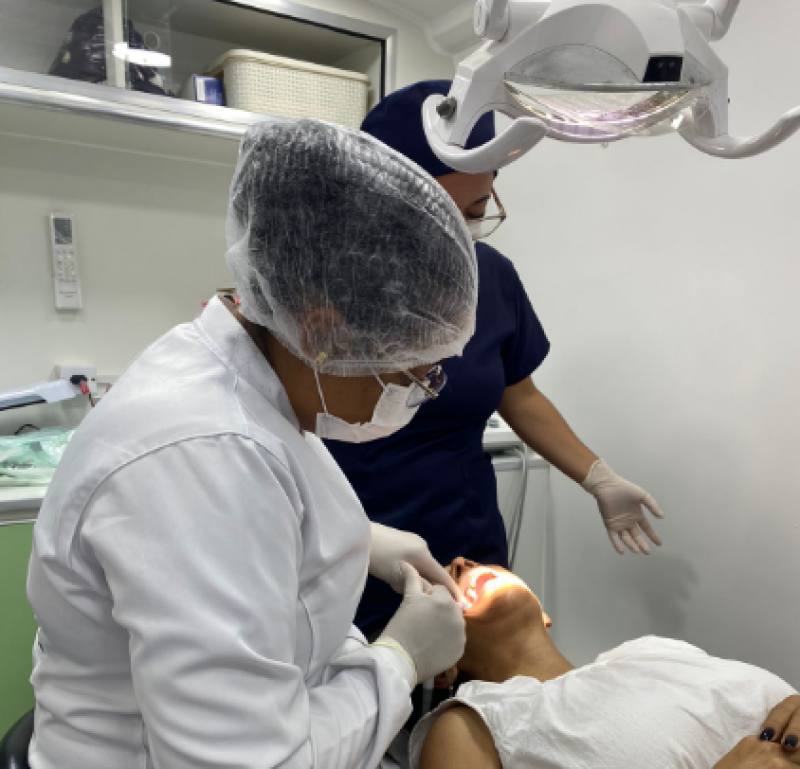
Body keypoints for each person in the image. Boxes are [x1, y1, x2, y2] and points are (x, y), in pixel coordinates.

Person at [25, 119, 475, 769]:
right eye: (415, 373)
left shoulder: (246, 372)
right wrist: (400, 660)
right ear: (323, 334)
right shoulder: (203, 454)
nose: (420, 393)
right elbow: (247, 761)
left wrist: (361, 541)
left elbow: (255, 511)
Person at [325, 80, 665, 642]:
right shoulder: (316, 286)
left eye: (475, 211)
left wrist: (597, 477)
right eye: (437, 216)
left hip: (467, 545)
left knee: (477, 687)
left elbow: (517, 392)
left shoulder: (490, 277)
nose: (457, 236)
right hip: (348, 547)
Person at [411, 558, 797, 769]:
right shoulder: (470, 725)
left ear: (543, 613)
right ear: (443, 668)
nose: (460, 563)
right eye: (438, 584)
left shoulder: (651, 650)